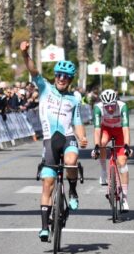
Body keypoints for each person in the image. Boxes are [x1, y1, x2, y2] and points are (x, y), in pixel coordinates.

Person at [20, 41, 88, 242]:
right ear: (55, 76)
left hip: (67, 137)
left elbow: (77, 122)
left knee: (71, 161)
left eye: (65, 76)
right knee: (47, 183)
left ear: (70, 80)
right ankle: (44, 227)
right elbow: (33, 70)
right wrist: (24, 54)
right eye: (59, 75)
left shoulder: (74, 98)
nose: (61, 79)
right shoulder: (45, 88)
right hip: (50, 140)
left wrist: (82, 137)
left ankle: (73, 192)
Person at [92, 89, 133, 211]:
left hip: (120, 131)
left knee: (122, 162)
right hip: (106, 130)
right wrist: (96, 146)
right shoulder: (98, 108)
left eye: (112, 105)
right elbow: (97, 130)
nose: (110, 108)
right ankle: (103, 172)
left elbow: (126, 129)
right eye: (107, 106)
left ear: (116, 102)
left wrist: (127, 145)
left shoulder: (122, 107)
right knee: (102, 143)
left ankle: (124, 198)